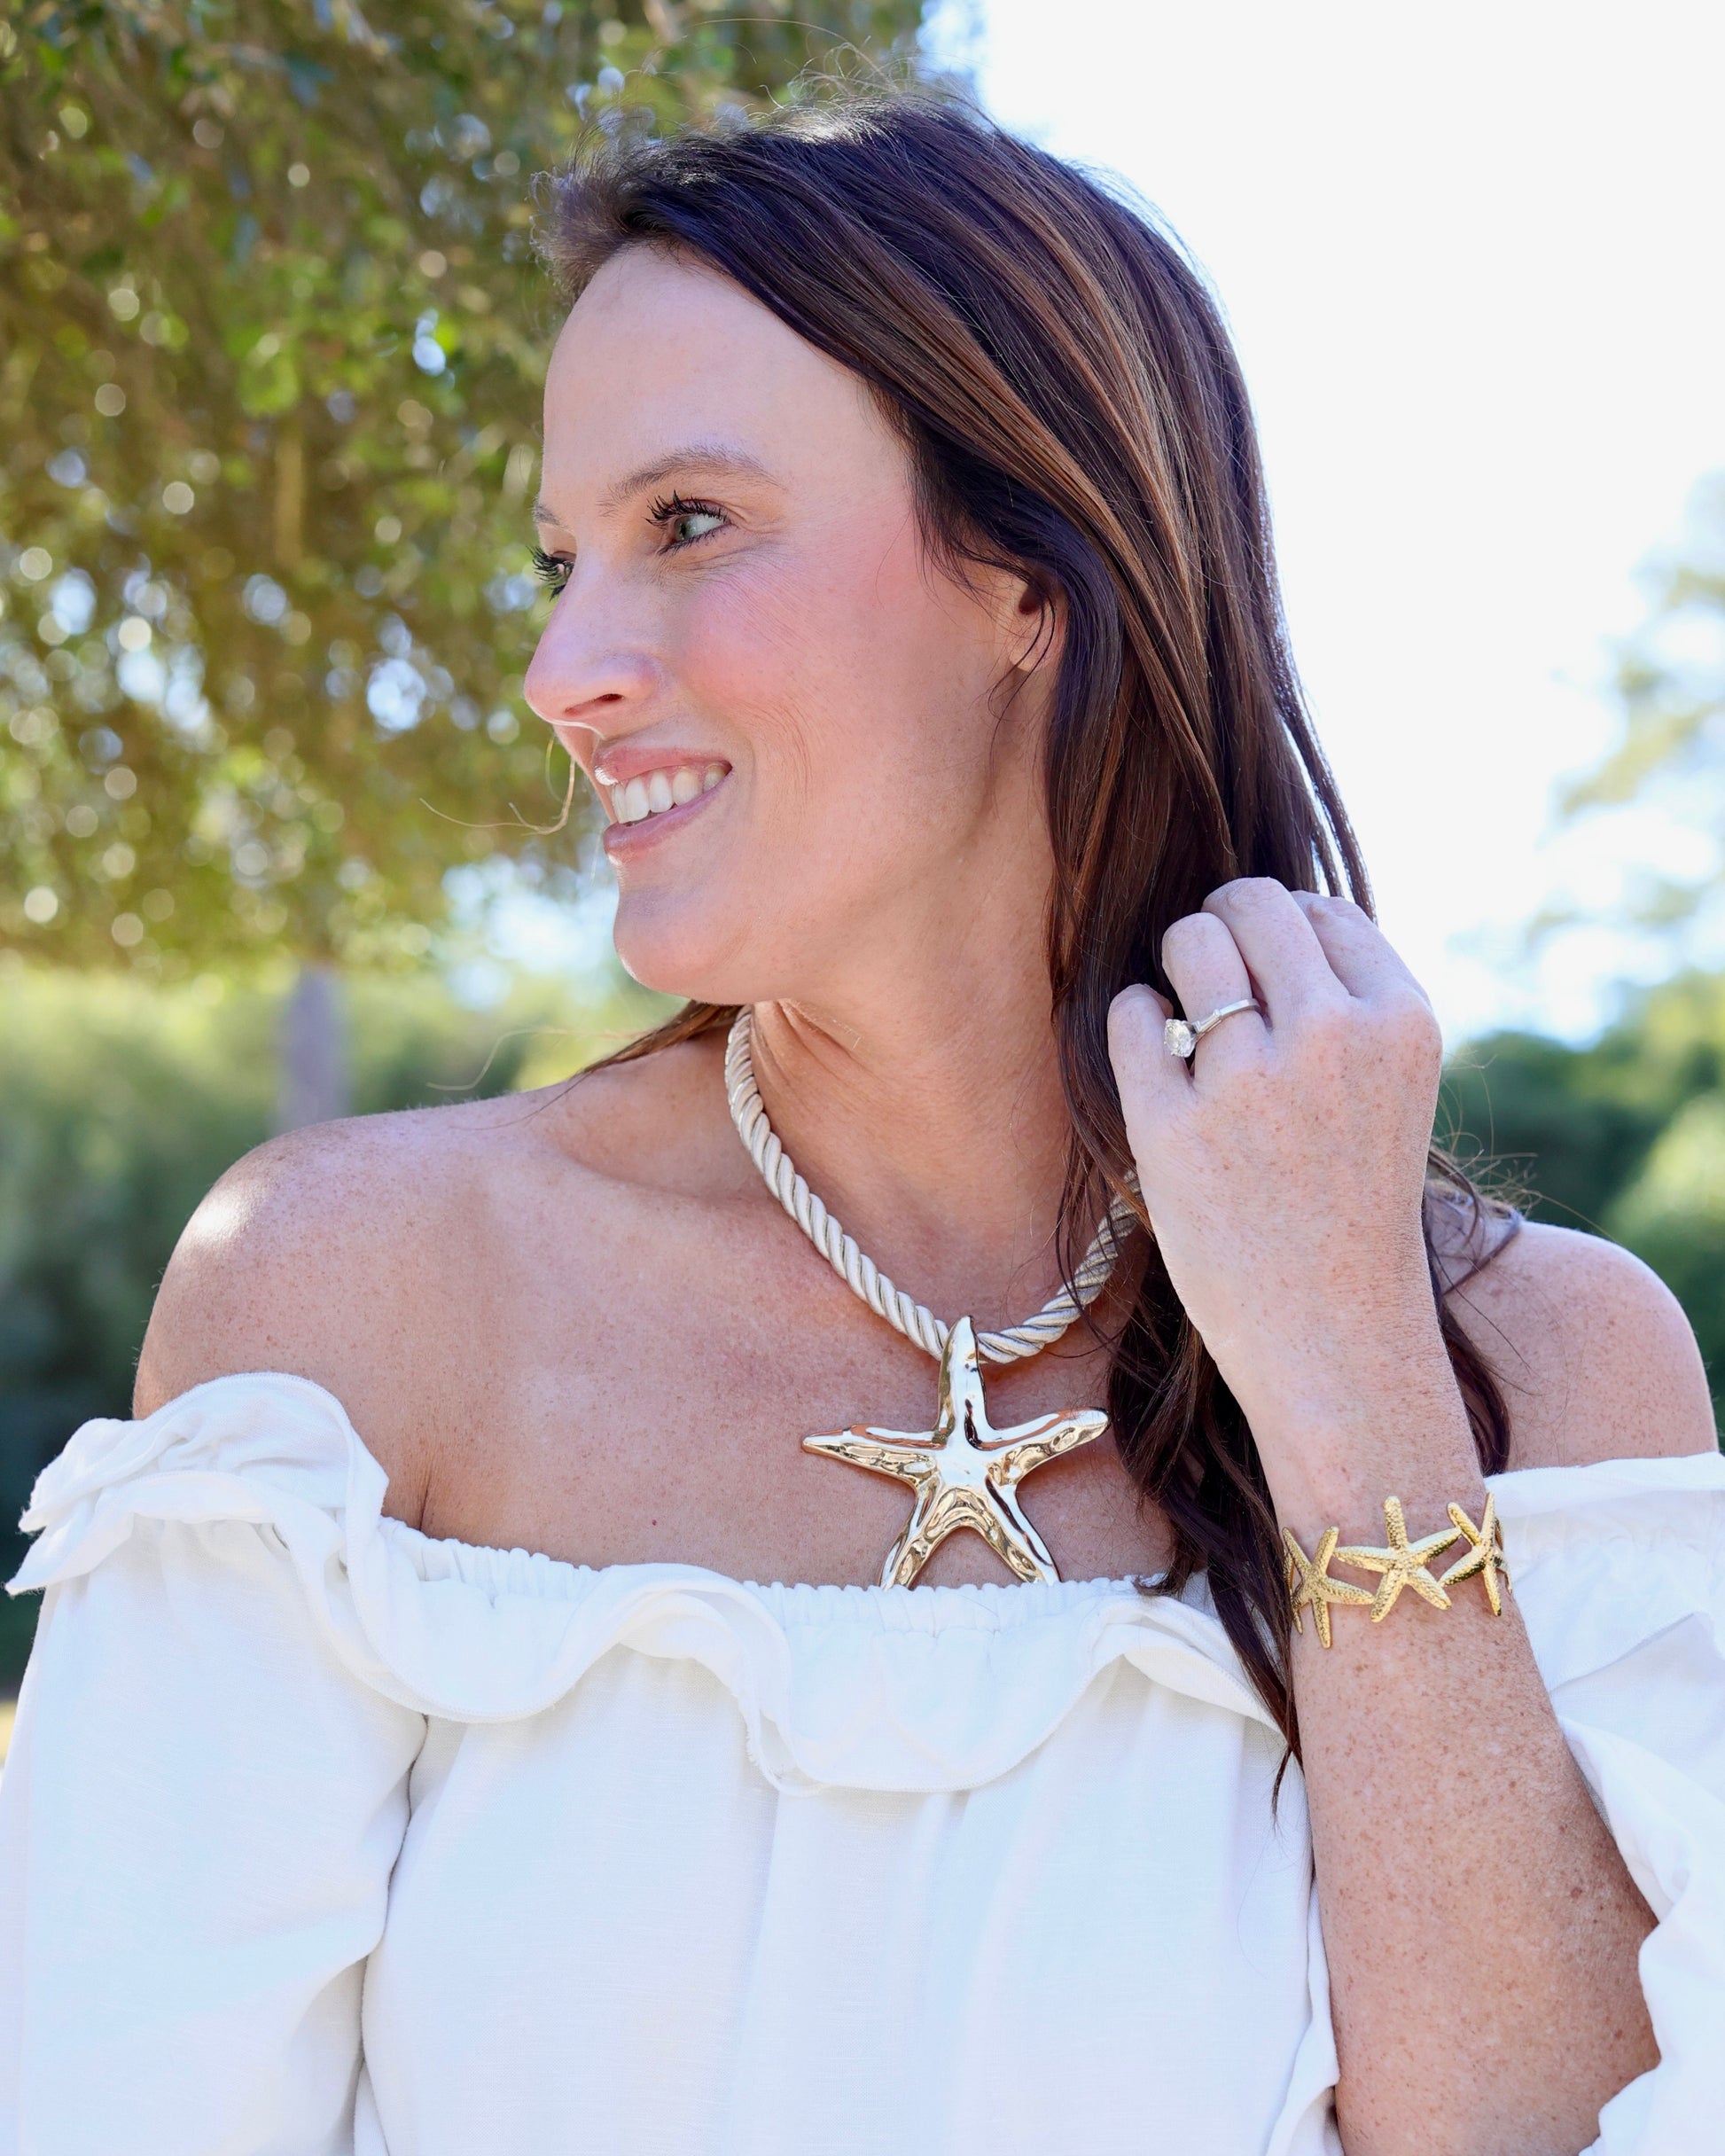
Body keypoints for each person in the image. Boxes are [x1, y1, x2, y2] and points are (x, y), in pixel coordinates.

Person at [1, 91, 1721, 2156]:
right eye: (558, 560)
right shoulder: (356, 1309)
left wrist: (1348, 1380)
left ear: (1028, 578)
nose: (560, 668)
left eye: (687, 523)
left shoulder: (1537, 1369)